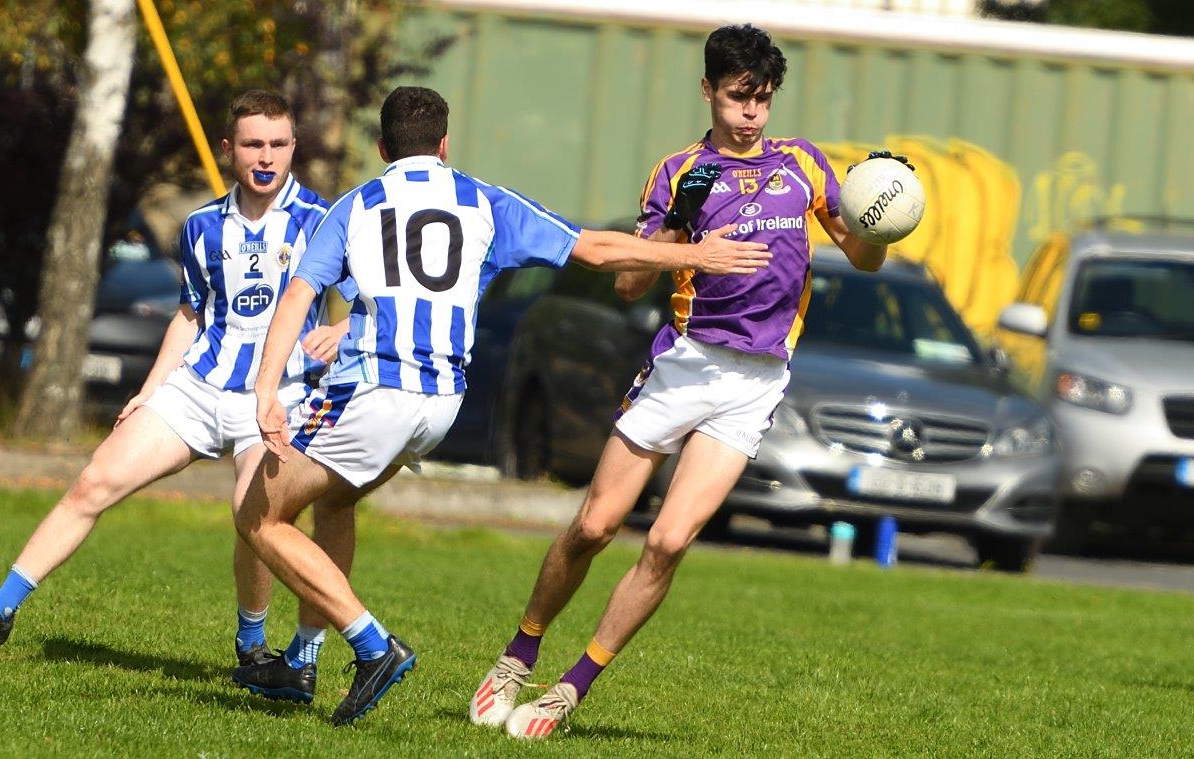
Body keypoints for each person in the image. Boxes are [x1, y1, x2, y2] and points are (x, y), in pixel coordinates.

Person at [228, 84, 771, 726]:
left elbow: (298, 296)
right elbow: (597, 249)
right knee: (336, 501)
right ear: (445, 145)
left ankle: (373, 646)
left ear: (381, 148)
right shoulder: (482, 199)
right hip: (445, 405)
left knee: (256, 514)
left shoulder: (357, 204)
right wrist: (695, 254)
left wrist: (266, 390)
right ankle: (304, 655)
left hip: (376, 387)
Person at [469, 24, 911, 740]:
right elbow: (631, 283)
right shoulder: (681, 171)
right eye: (739, 97)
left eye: (763, 100)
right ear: (708, 89)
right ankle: (522, 649)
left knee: (669, 543)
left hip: (756, 379)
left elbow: (861, 256)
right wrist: (684, 237)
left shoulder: (802, 164)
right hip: (683, 364)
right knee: (594, 525)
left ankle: (570, 689)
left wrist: (881, 212)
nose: (751, 113)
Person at [0, 91, 352, 696]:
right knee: (94, 481)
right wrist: (149, 391)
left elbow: (366, 300)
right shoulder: (201, 226)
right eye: (253, 144)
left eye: (278, 144)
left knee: (256, 518)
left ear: (293, 148)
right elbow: (189, 314)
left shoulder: (324, 220)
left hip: (277, 396)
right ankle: (1, 609)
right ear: (228, 149)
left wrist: (340, 331)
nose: (266, 156)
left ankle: (254, 647)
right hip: (198, 387)